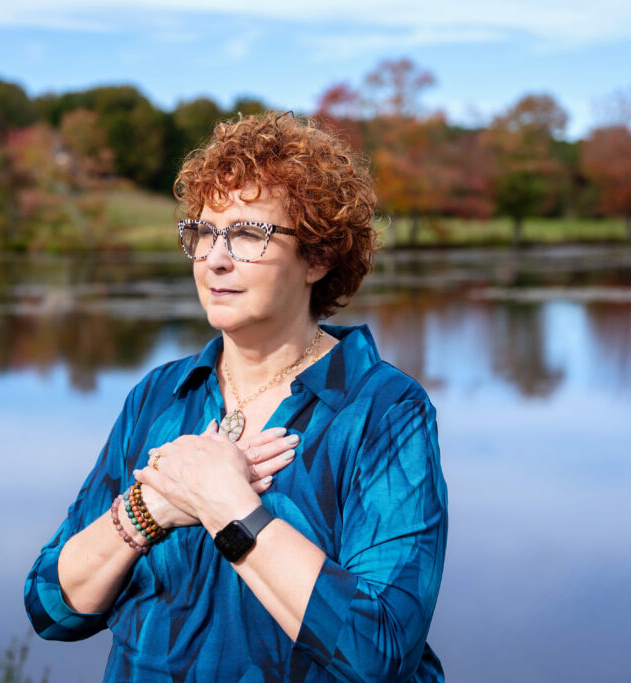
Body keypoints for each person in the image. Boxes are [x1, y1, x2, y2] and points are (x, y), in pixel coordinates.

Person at [24, 112, 447, 681]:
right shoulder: (160, 396)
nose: (215, 259)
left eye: (249, 235)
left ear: (318, 258)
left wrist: (227, 507)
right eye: (203, 233)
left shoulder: (383, 410)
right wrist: (149, 511)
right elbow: (52, 606)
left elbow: (382, 651)